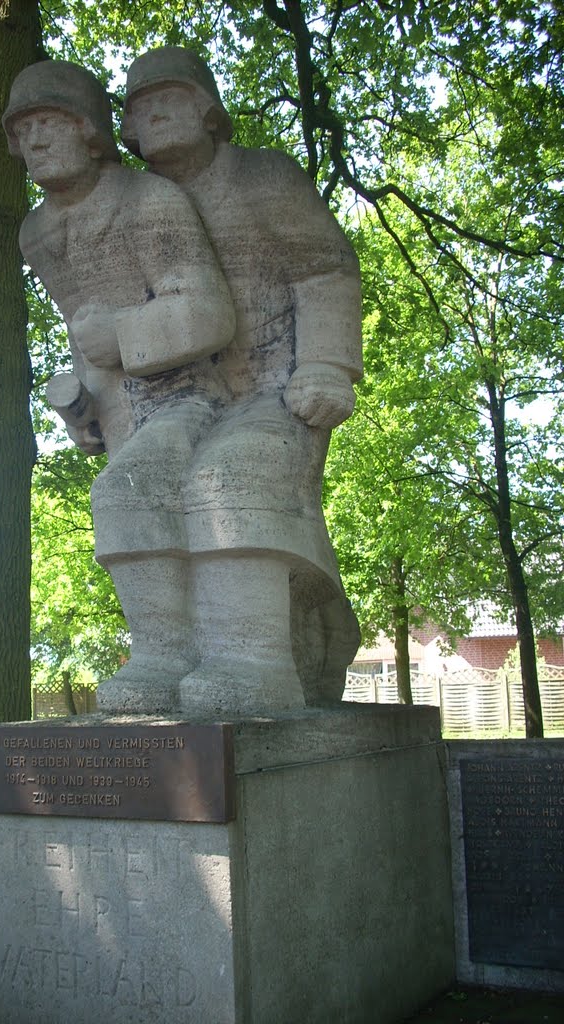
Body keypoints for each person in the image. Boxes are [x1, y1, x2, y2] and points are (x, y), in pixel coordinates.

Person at [121, 47, 364, 713]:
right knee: (133, 488)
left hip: (274, 384)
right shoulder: (131, 206)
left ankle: (251, 661)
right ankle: (162, 659)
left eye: (173, 96)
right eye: (140, 105)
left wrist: (326, 365)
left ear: (211, 113)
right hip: (181, 399)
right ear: (128, 131)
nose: (156, 111)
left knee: (230, 476)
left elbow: (326, 271)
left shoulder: (265, 178)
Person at [3, 60, 236, 712]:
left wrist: (125, 334)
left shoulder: (149, 200)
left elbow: (210, 312)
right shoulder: (39, 232)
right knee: (129, 489)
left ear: (90, 132)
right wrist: (83, 402)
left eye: (49, 124)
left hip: (192, 395)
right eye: (24, 132)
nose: (36, 142)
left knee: (127, 491)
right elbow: (83, 332)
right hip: (120, 409)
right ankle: (176, 653)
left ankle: (169, 655)